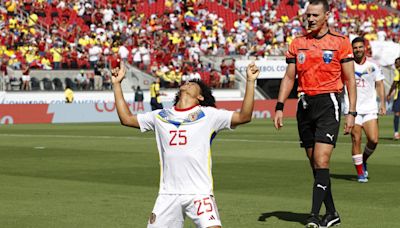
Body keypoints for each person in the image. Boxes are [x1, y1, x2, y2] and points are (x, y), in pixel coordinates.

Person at [112, 62, 260, 228]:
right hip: (168, 194)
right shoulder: (160, 116)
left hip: (199, 193)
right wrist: (117, 84)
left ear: (201, 97)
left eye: (194, 84)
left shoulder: (209, 115)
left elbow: (244, 116)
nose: (189, 83)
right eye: (188, 81)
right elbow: (126, 119)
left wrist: (250, 81)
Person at [273, 1, 357, 227]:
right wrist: (280, 106)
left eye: (314, 15)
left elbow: (350, 79)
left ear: (326, 16)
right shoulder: (297, 43)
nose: (309, 19)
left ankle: (313, 216)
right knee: (315, 163)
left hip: (329, 102)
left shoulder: (340, 42)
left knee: (321, 159)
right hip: (304, 105)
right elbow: (289, 77)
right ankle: (332, 213)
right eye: (307, 15)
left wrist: (352, 112)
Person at [344, 37, 386, 183]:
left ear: (365, 48)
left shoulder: (373, 65)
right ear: (352, 49)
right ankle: (360, 173)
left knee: (373, 140)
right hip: (353, 108)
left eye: (360, 47)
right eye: (355, 48)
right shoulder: (346, 65)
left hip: (370, 108)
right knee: (356, 140)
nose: (358, 50)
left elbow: (380, 84)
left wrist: (382, 103)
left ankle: (364, 160)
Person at [387, 57, 400, 140]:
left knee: (397, 113)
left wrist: (389, 94)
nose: (395, 64)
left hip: (399, 95)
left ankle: (396, 133)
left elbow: (395, 83)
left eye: (397, 63)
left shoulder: (397, 71)